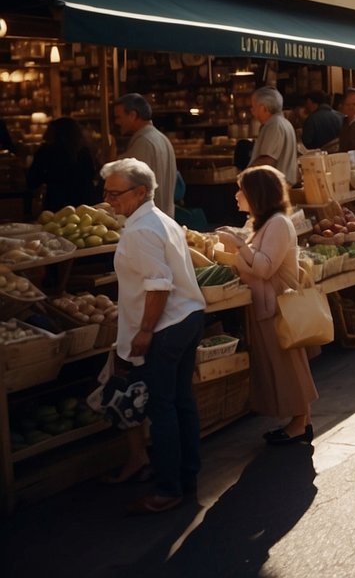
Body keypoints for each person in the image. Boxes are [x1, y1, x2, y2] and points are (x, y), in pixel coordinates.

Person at [101, 157, 205, 514]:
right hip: (187, 317)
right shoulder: (159, 220)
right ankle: (186, 477)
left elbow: (158, 285)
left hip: (166, 325)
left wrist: (145, 330)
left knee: (163, 409)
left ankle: (168, 488)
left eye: (115, 194)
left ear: (140, 191)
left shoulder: (141, 229)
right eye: (106, 192)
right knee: (180, 402)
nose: (109, 200)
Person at [217, 167, 317, 445]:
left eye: (241, 190)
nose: (237, 195)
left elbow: (263, 267)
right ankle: (302, 422)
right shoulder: (261, 223)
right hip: (268, 305)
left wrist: (238, 245)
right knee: (284, 365)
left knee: (287, 366)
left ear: (256, 194)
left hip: (278, 306)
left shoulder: (278, 224)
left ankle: (299, 424)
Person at [113, 93, 177, 217]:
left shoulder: (144, 142)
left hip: (149, 223)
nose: (117, 122)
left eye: (118, 117)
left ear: (132, 115)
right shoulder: (161, 138)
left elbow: (129, 186)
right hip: (162, 220)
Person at [27, 117, 98, 212]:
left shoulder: (47, 151)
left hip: (57, 205)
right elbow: (91, 174)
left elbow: (32, 181)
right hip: (85, 205)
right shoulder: (84, 150)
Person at [247, 87, 299, 186]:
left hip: (273, 187)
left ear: (264, 108)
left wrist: (245, 176)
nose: (252, 111)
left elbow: (267, 160)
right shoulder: (283, 123)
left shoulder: (274, 125)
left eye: (253, 107)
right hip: (281, 186)